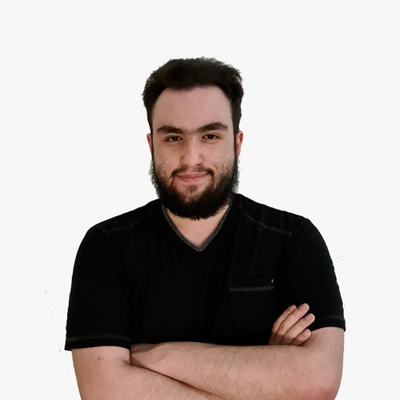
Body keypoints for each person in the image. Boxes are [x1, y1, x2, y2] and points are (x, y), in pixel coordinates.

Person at [65, 57, 346, 400]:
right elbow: (104, 390)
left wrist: (157, 357)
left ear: (237, 143)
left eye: (210, 136)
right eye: (173, 138)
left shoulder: (293, 239)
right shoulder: (107, 247)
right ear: (152, 145)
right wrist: (267, 376)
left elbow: (318, 381)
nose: (191, 158)